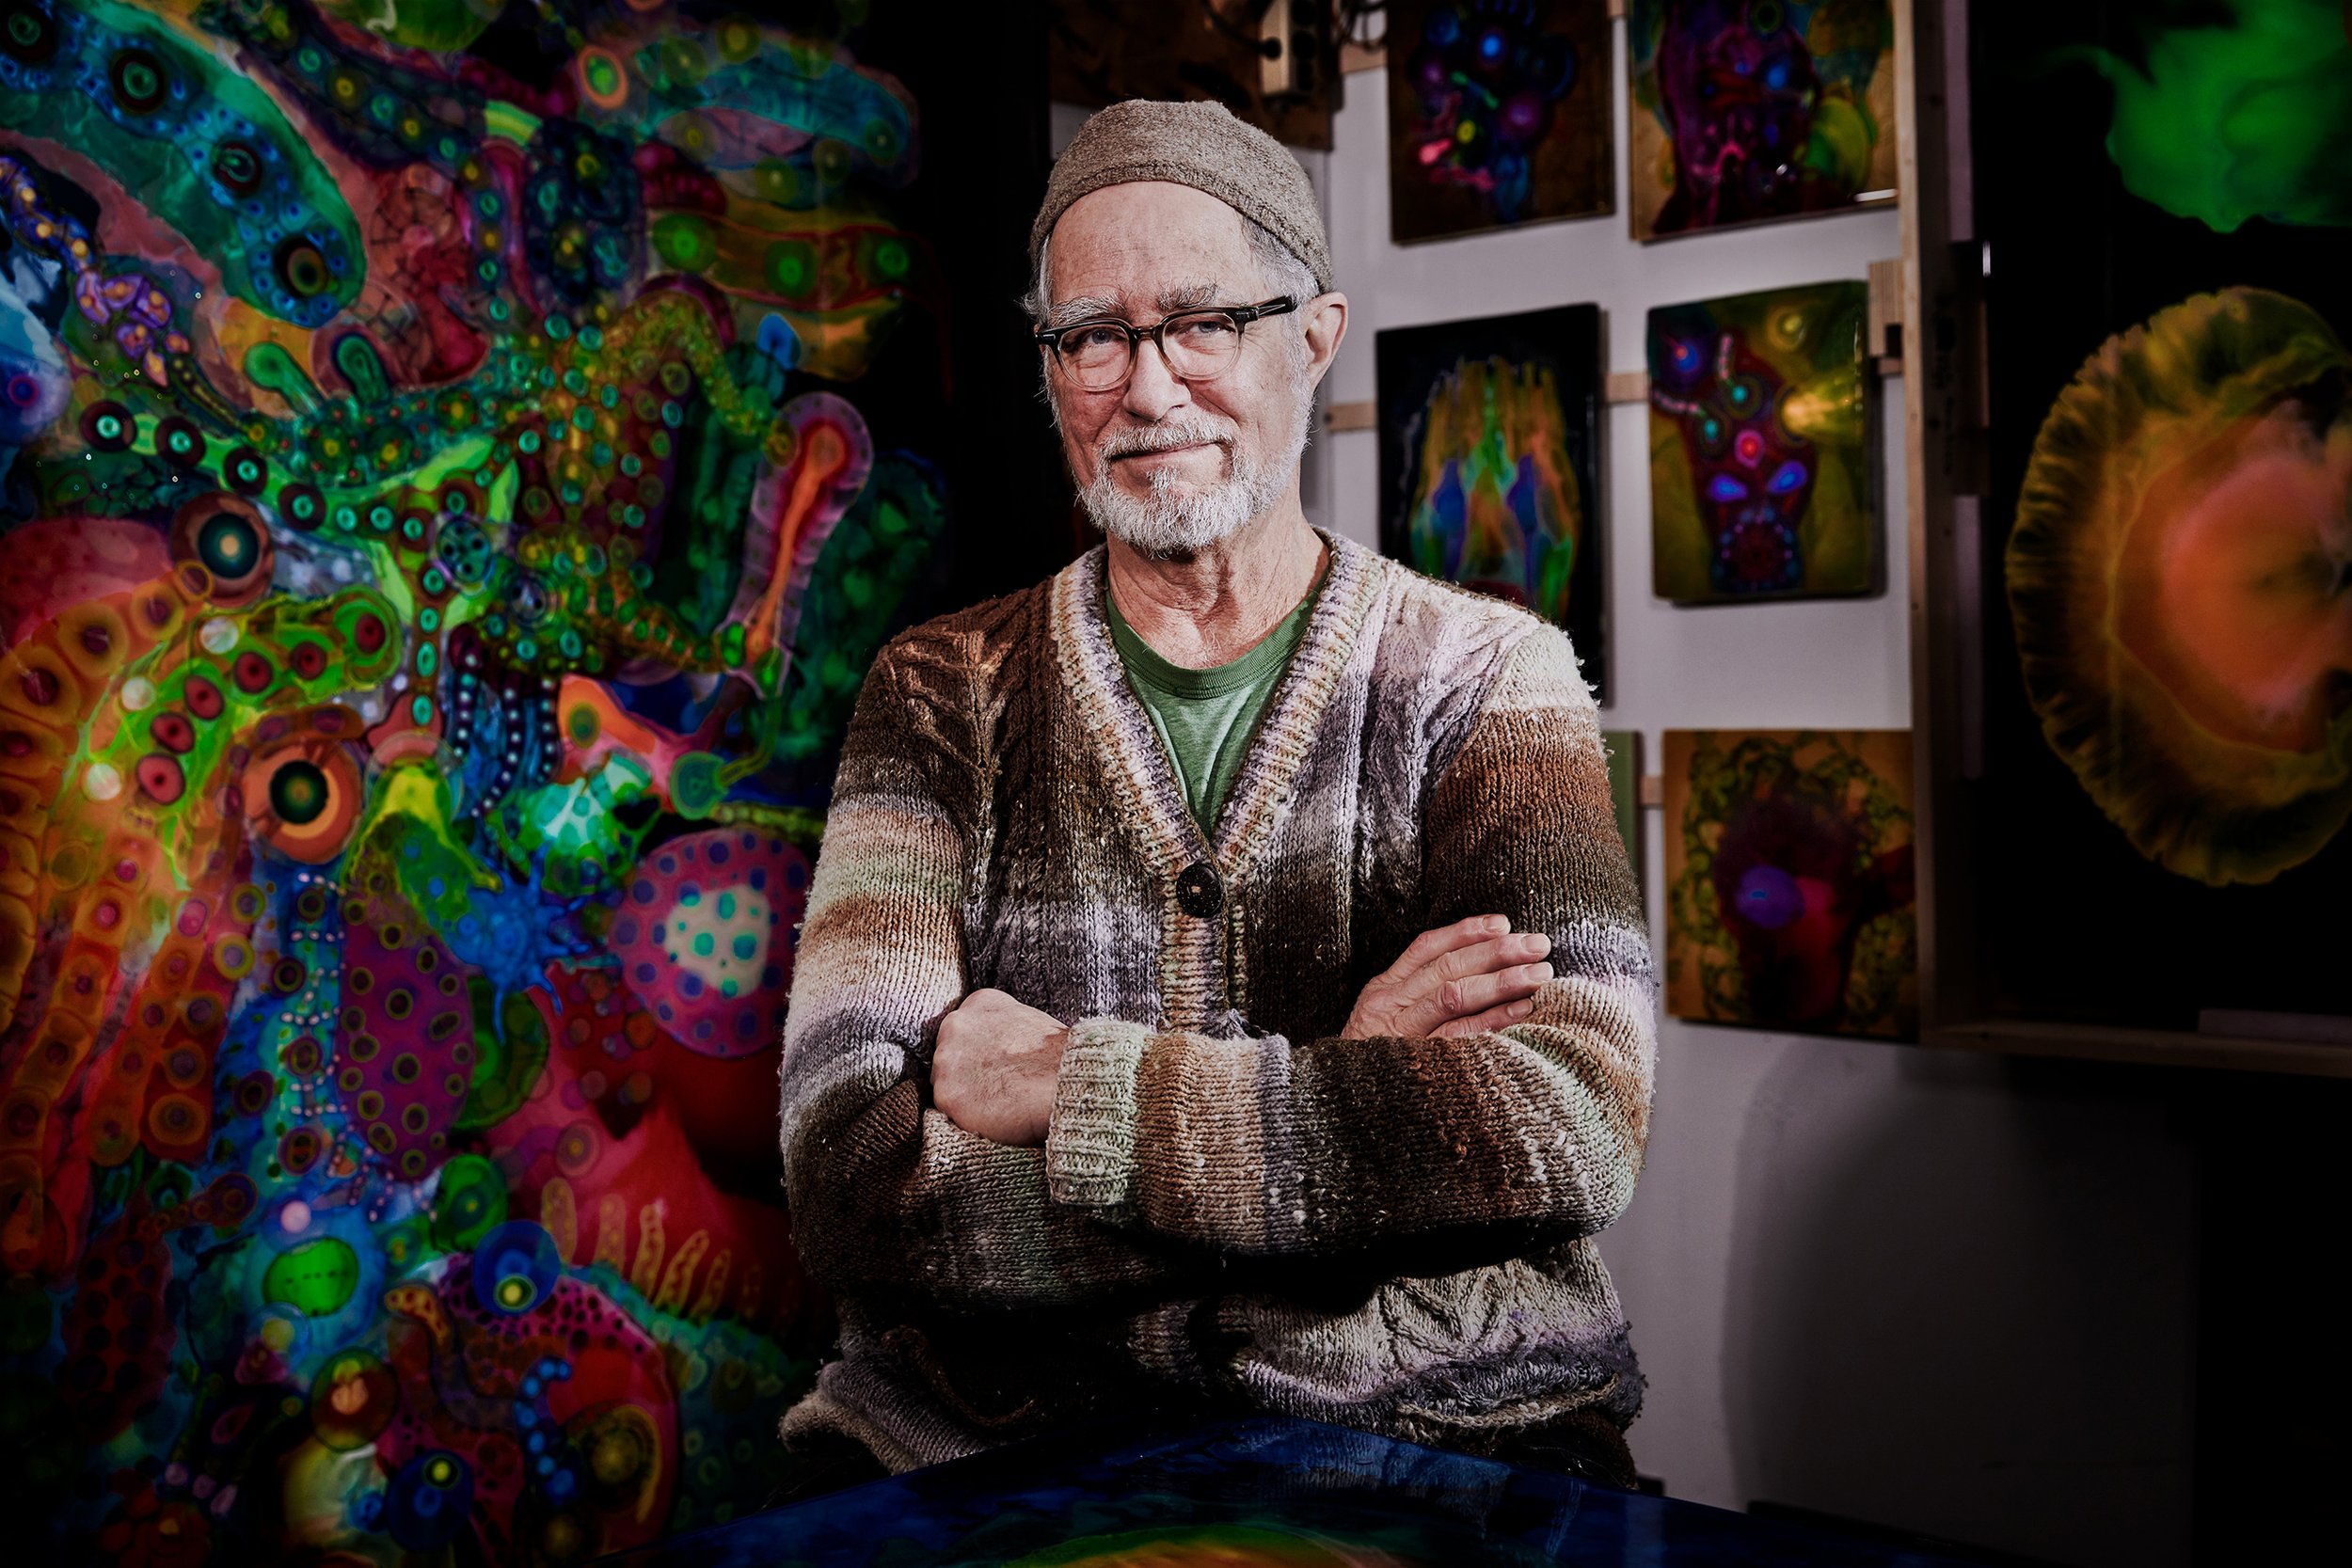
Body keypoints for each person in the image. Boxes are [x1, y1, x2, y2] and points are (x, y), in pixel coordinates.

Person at [776, 99, 1656, 1493]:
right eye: (1093, 337)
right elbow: (850, 1185)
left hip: (1433, 1436)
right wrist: (1351, 1100)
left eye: (1202, 323)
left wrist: (1070, 1085)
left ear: (1314, 336)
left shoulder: (1492, 679)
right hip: (1003, 1447)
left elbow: (1566, 1125)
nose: (1146, 389)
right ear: (1051, 368)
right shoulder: (940, 693)